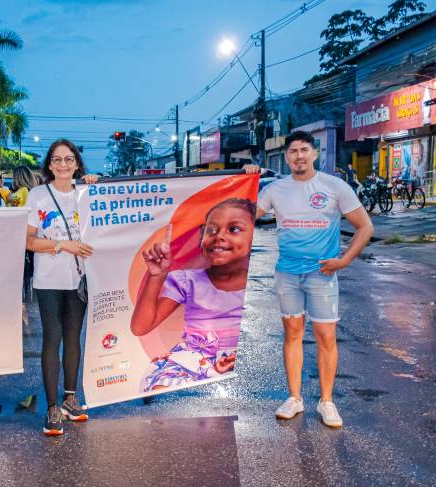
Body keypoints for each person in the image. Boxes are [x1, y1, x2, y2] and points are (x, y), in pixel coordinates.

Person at [245, 130, 373, 428]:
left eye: (304, 150)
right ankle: (294, 398)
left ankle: (327, 402)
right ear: (286, 157)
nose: (299, 156)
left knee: (326, 337)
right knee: (292, 335)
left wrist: (344, 260)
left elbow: (365, 226)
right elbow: (244, 215)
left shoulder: (334, 186)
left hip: (321, 274)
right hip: (287, 273)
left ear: (314, 153)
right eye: (293, 151)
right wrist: (247, 181)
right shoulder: (275, 189)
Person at [131, 199, 256, 390]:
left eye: (234, 229)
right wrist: (157, 276)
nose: (219, 236)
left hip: (241, 360)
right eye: (211, 230)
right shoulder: (187, 280)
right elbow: (140, 327)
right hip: (190, 362)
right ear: (201, 238)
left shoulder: (258, 282)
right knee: (162, 390)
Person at [25, 139, 97, 437]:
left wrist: (99, 186)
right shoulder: (38, 195)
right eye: (57, 159)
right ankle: (52, 407)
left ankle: (70, 398)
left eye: (69, 159)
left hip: (80, 279)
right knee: (52, 339)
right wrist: (62, 245)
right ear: (50, 165)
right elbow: (28, 241)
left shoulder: (88, 192)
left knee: (73, 338)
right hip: (48, 280)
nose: (63, 164)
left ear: (77, 163)